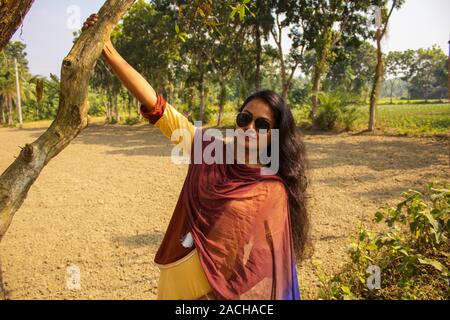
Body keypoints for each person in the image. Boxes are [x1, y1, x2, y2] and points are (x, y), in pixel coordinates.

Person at [82, 13, 309, 300]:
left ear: (276, 134)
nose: (250, 128)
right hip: (174, 276)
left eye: (262, 124)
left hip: (214, 295)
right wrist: (107, 48)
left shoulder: (271, 188)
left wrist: (215, 296)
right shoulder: (209, 151)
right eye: (245, 118)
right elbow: (156, 106)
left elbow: (263, 263)